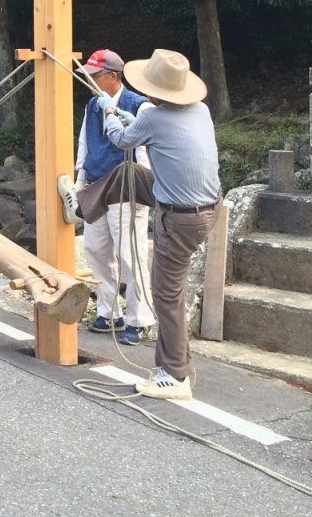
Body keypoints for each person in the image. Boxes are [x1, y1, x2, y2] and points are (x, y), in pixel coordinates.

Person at [100, 49, 220, 401]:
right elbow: (146, 130)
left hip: (180, 217)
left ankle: (175, 375)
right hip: (207, 208)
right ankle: (88, 204)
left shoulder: (153, 117)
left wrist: (108, 110)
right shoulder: (201, 110)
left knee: (166, 294)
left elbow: (121, 139)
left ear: (155, 91)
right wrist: (124, 113)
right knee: (130, 172)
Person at [70, 49, 157, 346]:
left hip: (125, 188)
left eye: (95, 77)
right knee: (96, 250)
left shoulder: (140, 106)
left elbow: (146, 155)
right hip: (96, 185)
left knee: (130, 255)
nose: (91, 83)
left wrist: (141, 187)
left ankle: (140, 319)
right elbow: (85, 143)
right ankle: (109, 312)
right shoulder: (92, 105)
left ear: (112, 77)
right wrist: (80, 180)